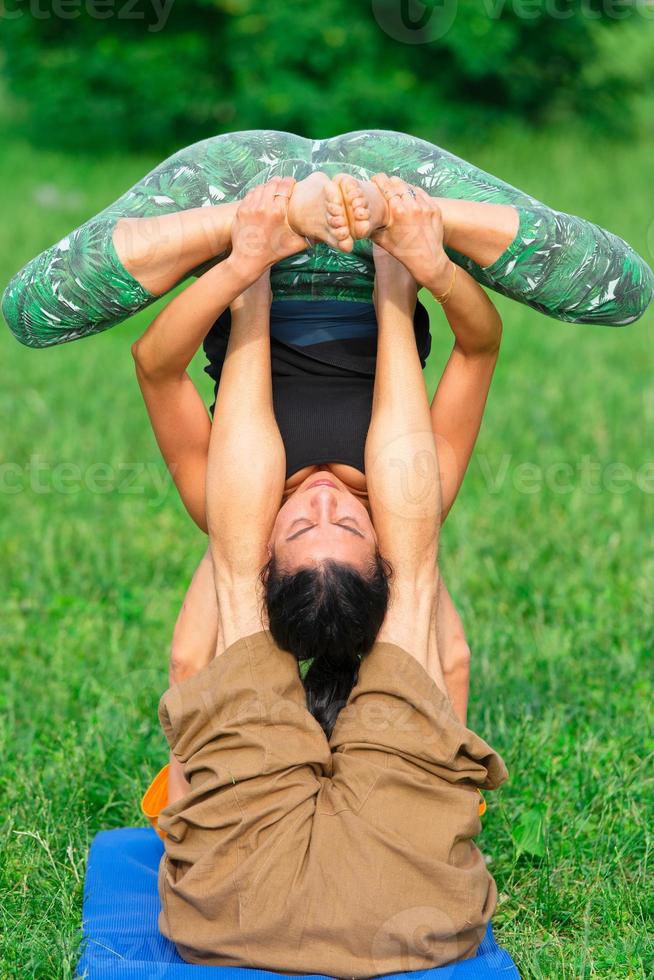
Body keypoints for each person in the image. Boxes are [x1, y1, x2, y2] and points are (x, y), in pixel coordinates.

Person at [154, 179, 508, 974]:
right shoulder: (399, 533)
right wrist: (409, 283)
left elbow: (189, 660)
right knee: (411, 579)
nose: (319, 502)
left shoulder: (242, 536)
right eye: (339, 522)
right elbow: (445, 658)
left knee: (239, 575)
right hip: (384, 916)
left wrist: (245, 282)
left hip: (239, 911)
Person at [4, 129, 652, 348]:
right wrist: (407, 212)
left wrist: (256, 221)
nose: (325, 513)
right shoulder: (405, 503)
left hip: (239, 189)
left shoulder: (233, 507)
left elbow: (34, 310)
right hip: (394, 186)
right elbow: (621, 289)